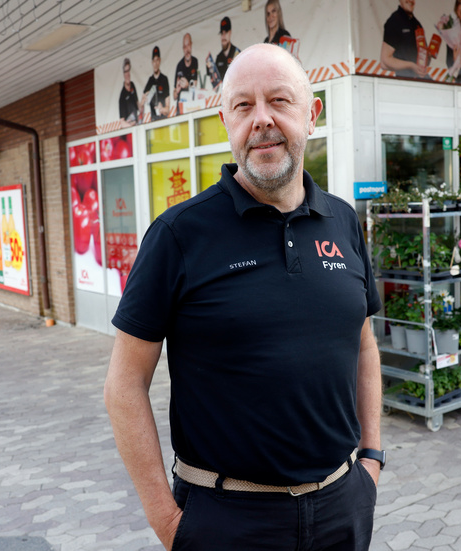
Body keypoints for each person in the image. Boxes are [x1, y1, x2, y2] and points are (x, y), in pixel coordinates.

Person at [105, 43, 383, 551]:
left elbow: (363, 344)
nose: (262, 120)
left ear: (311, 114)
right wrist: (170, 524)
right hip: (228, 520)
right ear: (225, 121)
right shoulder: (178, 235)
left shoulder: (343, 222)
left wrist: (371, 462)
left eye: (279, 101)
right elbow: (124, 384)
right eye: (243, 106)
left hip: (343, 507)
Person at [381, 0, 428, 79]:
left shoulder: (417, 24)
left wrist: (429, 54)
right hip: (404, 80)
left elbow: (424, 59)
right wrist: (411, 66)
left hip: (419, 79)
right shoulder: (394, 21)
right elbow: (385, 60)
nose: (410, 1)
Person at [144, 46, 171, 121]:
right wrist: (146, 97)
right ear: (152, 62)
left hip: (164, 120)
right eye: (154, 61)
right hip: (153, 121)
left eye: (157, 60)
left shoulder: (164, 79)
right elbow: (142, 102)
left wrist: (162, 109)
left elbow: (167, 109)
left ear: (160, 61)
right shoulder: (150, 80)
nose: (155, 63)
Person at [173, 34, 199, 104]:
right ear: (183, 49)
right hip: (180, 105)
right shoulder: (179, 66)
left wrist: (187, 85)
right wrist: (177, 91)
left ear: (191, 45)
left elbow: (195, 85)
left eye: (188, 45)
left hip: (191, 104)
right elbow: (174, 96)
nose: (187, 49)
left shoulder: (195, 61)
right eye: (185, 47)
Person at [215, 17, 241, 81]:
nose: (223, 36)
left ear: (230, 33)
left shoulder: (237, 53)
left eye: (225, 32)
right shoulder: (218, 57)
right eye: (222, 33)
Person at [118, 57, 141, 125]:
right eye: (125, 72)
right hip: (130, 129)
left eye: (128, 71)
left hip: (137, 124)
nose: (127, 74)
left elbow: (138, 105)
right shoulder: (122, 96)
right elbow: (122, 123)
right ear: (123, 74)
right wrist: (130, 125)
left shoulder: (132, 85)